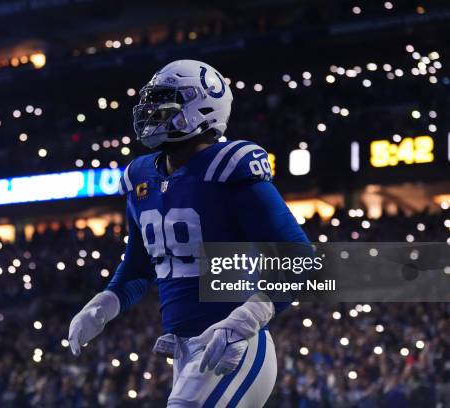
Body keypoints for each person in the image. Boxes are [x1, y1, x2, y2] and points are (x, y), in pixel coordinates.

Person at [69, 60, 309, 407]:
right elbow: (139, 267)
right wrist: (104, 304)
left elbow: (302, 261)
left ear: (203, 106)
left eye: (166, 99)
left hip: (236, 346)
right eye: (150, 100)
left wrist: (247, 318)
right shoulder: (140, 177)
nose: (151, 109)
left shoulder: (229, 166)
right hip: (185, 350)